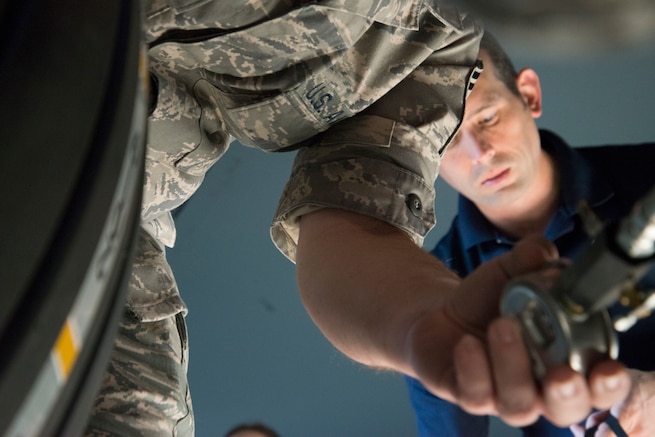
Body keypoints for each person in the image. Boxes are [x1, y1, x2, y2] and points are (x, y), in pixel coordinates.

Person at [85, 2, 632, 435]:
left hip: (96, 180)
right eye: (455, 140)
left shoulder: (436, 52)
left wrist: (418, 324)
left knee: (140, 415)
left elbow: (351, 222)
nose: (480, 151)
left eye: (486, 117)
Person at [404, 32, 655, 437]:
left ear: (529, 95)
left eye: (487, 118)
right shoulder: (436, 293)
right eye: (445, 141)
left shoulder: (647, 174)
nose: (480, 152)